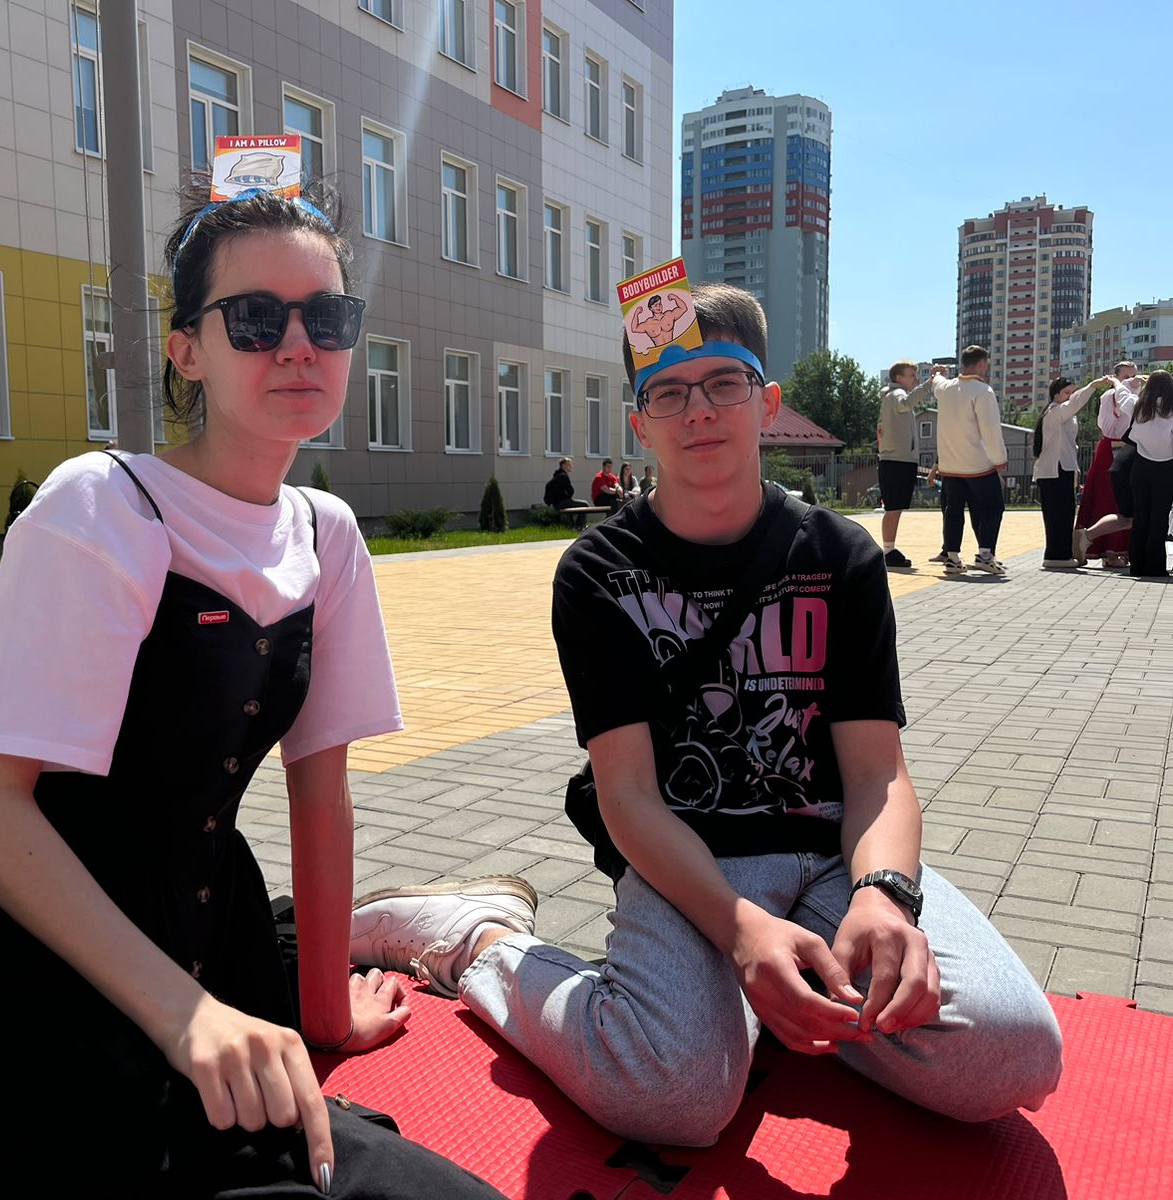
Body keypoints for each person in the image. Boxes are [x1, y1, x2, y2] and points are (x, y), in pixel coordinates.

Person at [0, 183, 506, 1200]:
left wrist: (324, 1018)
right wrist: (188, 1016)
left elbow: (321, 791)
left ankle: (384, 928)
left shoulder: (327, 534)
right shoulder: (104, 506)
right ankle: (403, 924)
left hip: (199, 940)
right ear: (186, 350)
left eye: (327, 317)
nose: (298, 345)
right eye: (255, 319)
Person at [346, 284, 1062, 1148]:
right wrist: (739, 930)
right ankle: (479, 941)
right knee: (675, 1098)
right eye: (668, 392)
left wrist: (885, 897)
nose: (699, 410)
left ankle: (789, 992)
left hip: (833, 857)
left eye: (724, 382)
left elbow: (879, 776)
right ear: (640, 423)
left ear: (767, 402)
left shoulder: (840, 555)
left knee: (1018, 1054)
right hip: (689, 862)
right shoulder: (598, 573)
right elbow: (627, 797)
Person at [928, 347, 1008, 574]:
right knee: (993, 507)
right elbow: (990, 429)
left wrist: (937, 373)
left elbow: (937, 382)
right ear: (981, 364)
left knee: (953, 510)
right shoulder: (983, 391)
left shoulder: (946, 388)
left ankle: (952, 557)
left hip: (950, 464)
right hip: (976, 463)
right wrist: (1000, 460)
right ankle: (985, 555)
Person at [1076, 363, 1144, 567]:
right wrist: (1120, 397)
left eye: (1134, 375)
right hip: (1112, 448)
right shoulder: (1109, 397)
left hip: (1133, 448)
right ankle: (1107, 551)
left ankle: (1126, 548)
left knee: (1131, 500)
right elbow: (1105, 426)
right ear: (1116, 378)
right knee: (1108, 498)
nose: (1132, 380)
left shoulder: (1140, 397)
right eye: (1126, 377)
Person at [876, 361, 936, 569]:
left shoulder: (893, 396)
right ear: (898, 378)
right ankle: (888, 551)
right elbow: (906, 403)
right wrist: (928, 385)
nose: (915, 379)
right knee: (893, 508)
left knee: (896, 507)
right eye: (912, 375)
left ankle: (889, 550)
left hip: (900, 460)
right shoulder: (896, 395)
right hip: (896, 461)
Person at [1033, 376, 1098, 568]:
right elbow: (1074, 404)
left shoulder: (1063, 413)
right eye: (1067, 393)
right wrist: (1092, 386)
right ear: (1055, 395)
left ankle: (1061, 554)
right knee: (1058, 515)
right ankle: (1056, 556)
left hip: (1061, 469)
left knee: (1065, 513)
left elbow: (1069, 445)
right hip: (1054, 471)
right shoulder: (1055, 412)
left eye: (1073, 392)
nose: (1071, 396)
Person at [1126, 370, 1173, 577]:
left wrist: (1127, 382)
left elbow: (1122, 395)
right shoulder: (1171, 409)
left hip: (1141, 465)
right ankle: (1155, 565)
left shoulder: (1138, 406)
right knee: (1159, 518)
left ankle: (1137, 564)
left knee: (1141, 515)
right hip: (1167, 467)